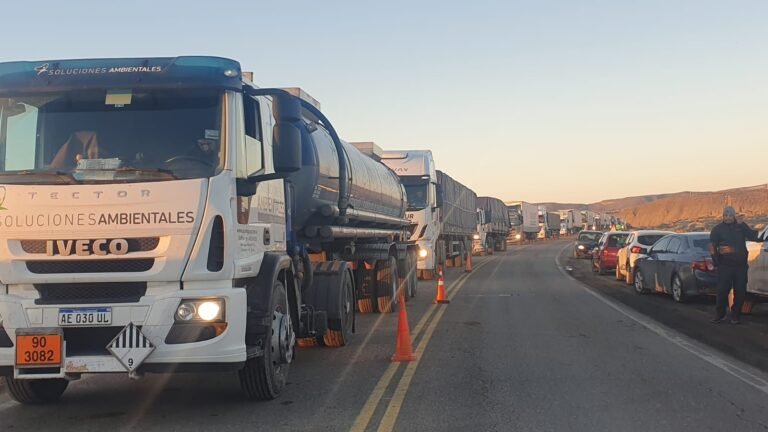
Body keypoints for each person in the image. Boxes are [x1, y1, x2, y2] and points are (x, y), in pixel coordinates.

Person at [709, 206, 764, 324]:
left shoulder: (741, 227)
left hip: (740, 266)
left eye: (730, 215)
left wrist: (743, 224)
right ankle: (720, 314)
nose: (728, 217)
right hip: (725, 265)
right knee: (722, 291)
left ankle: (735, 314)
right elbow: (712, 247)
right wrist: (716, 263)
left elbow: (754, 237)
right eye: (725, 215)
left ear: (734, 216)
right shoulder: (717, 229)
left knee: (740, 291)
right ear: (722, 216)